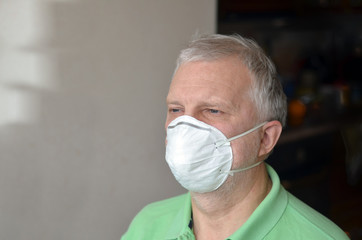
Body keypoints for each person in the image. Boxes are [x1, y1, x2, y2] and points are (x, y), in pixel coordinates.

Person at [121, 34, 349, 240]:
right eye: (176, 110)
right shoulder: (147, 226)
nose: (186, 128)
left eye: (213, 110)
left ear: (265, 138)